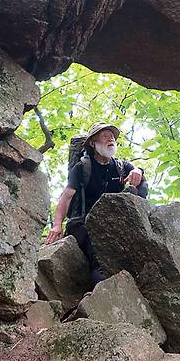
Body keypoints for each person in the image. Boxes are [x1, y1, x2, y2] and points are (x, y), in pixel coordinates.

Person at [46, 121, 147, 285]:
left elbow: (137, 173)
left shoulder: (121, 166)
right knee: (100, 256)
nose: (111, 139)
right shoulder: (82, 168)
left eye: (113, 137)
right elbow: (67, 196)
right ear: (93, 143)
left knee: (141, 185)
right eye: (105, 136)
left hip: (114, 222)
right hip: (85, 225)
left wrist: (138, 171)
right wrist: (57, 225)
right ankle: (100, 291)